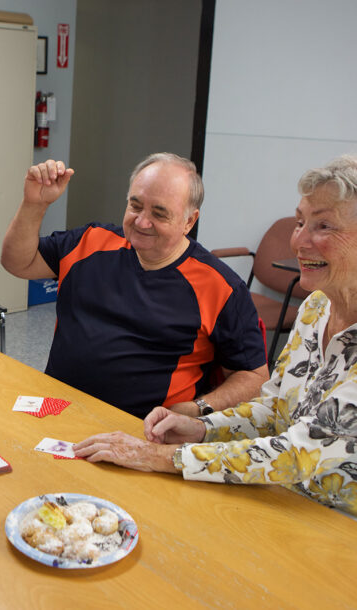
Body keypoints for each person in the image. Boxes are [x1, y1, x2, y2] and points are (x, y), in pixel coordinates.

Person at [73, 155, 357, 516]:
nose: (299, 241)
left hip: (338, 528)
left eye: (324, 227)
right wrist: (201, 428)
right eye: (300, 222)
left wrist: (162, 456)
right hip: (279, 497)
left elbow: (297, 452)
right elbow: (274, 409)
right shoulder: (317, 307)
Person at [1, 154, 269, 419]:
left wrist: (199, 408)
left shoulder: (221, 287)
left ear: (189, 221)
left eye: (159, 214)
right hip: (57, 411)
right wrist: (34, 204)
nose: (141, 222)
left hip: (140, 433)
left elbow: (254, 377)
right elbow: (18, 263)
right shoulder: (90, 242)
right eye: (135, 206)